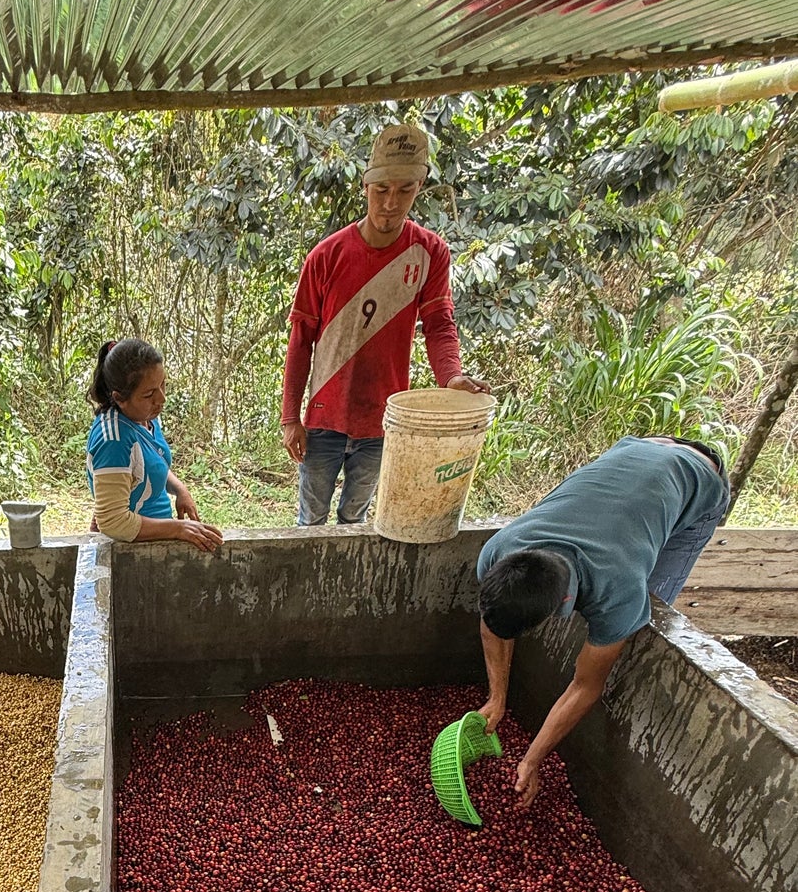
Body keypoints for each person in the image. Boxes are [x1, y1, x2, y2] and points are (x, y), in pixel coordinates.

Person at [476, 435, 730, 805]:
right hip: (636, 449)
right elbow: (493, 625)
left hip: (699, 477)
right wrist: (496, 698)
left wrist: (533, 759)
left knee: (651, 608)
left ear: (564, 600)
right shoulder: (499, 550)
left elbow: (585, 685)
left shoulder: (620, 589)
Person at [280, 123, 486, 526]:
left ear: (419, 189)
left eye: (405, 190)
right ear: (365, 187)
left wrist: (452, 378)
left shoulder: (429, 252)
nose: (391, 203)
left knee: (355, 518)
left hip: (384, 415)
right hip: (325, 412)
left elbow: (439, 323)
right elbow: (301, 340)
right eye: (382, 190)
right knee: (311, 519)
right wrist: (291, 417)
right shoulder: (326, 255)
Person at [86, 339, 222, 552]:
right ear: (120, 398)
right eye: (149, 394)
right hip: (129, 549)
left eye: (163, 384)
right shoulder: (113, 440)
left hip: (156, 537)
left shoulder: (145, 416)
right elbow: (114, 521)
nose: (162, 398)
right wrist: (178, 529)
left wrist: (179, 489)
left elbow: (149, 464)